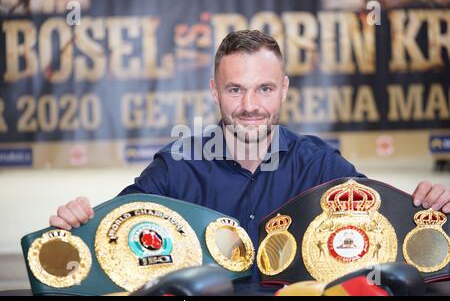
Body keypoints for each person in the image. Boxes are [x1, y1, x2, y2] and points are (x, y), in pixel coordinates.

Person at [49, 29, 450, 249]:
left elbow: (384, 224)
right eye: (235, 89)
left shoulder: (321, 164)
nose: (250, 105)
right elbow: (114, 231)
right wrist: (77, 223)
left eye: (264, 89)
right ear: (214, 91)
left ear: (285, 89)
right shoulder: (175, 167)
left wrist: (432, 209)